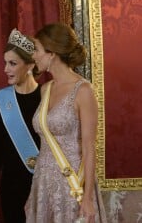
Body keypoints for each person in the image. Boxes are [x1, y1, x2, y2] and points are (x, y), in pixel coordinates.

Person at [25, 23, 107, 223]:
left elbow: (89, 149)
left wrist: (87, 198)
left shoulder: (83, 90)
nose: (33, 56)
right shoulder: (45, 89)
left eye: (36, 50)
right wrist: (33, 195)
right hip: (43, 184)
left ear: (51, 53)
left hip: (72, 187)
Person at [0, 29, 41, 223]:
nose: (6, 69)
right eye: (5, 63)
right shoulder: (1, 98)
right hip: (12, 185)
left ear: (30, 65)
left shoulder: (48, 95)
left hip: (43, 182)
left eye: (13, 63)